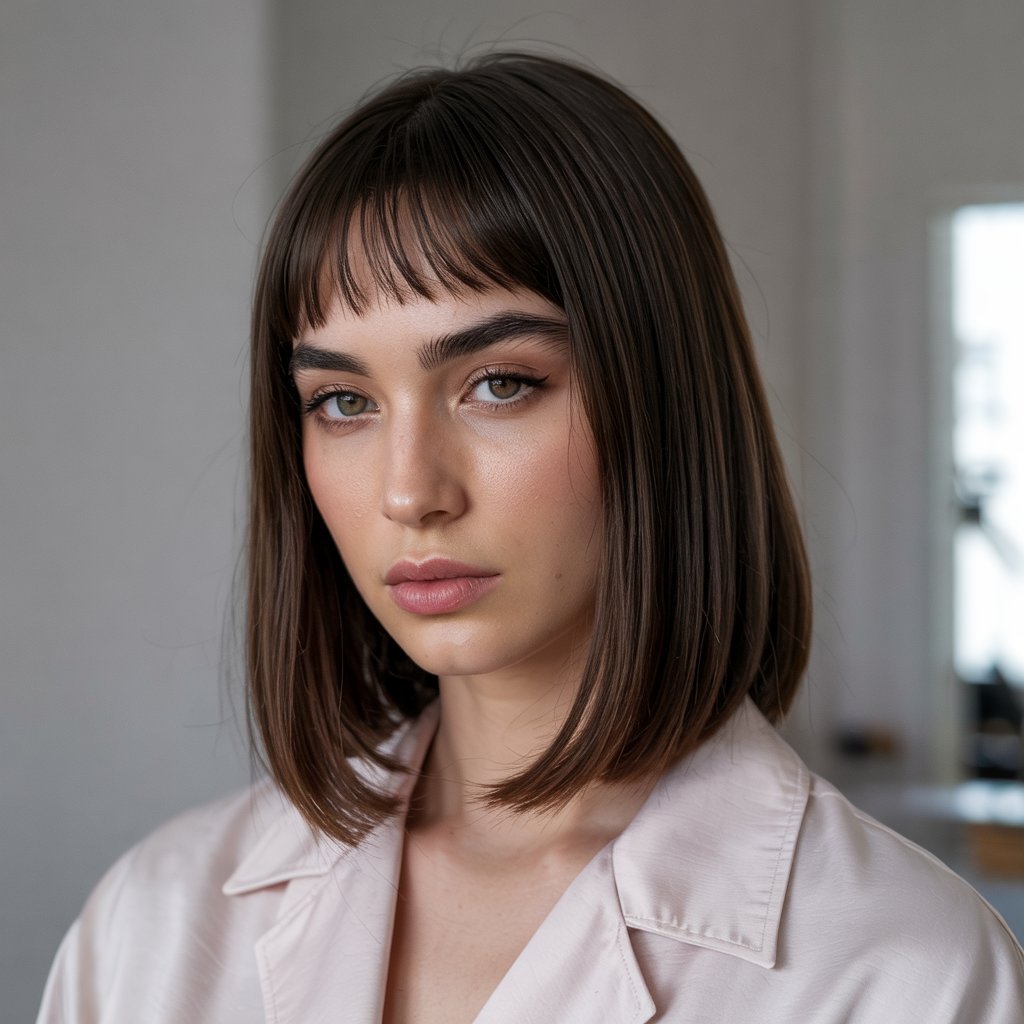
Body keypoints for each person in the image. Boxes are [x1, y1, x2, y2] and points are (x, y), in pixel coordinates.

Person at [38, 53, 1023, 1024]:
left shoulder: (906, 976)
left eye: (499, 384)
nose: (409, 492)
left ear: (664, 399)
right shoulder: (153, 925)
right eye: (343, 401)